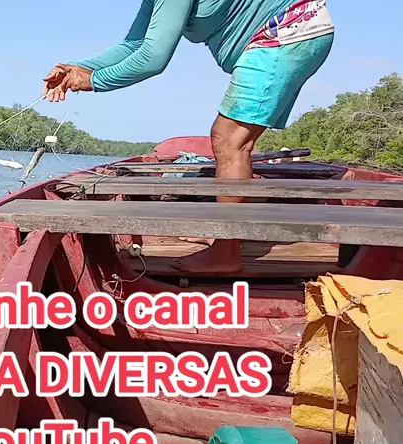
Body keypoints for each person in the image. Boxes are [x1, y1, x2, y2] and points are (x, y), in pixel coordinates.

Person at [42, 0, 334, 274]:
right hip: (295, 29)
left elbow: (152, 58)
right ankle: (227, 237)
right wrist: (79, 68)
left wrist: (93, 81)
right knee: (231, 138)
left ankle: (226, 251)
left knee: (229, 138)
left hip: (288, 30)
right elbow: (133, 44)